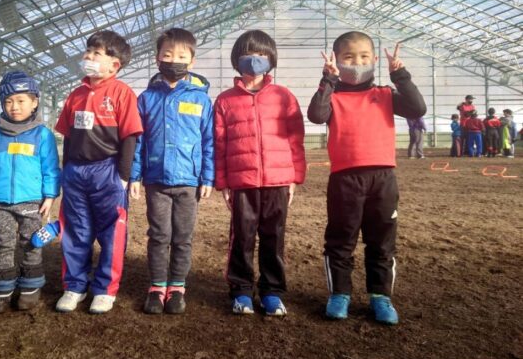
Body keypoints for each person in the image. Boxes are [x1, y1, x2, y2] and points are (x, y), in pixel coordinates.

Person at [307, 32, 426, 325]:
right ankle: (340, 294)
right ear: (337, 60)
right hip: (345, 180)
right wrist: (328, 79)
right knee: (341, 239)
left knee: (382, 241)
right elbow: (317, 115)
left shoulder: (385, 94)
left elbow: (417, 108)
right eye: (348, 58)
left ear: (374, 60)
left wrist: (400, 75)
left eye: (363, 57)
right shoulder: (333, 96)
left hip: (383, 179)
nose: (357, 63)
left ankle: (380, 296)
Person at [214, 30, 306, 317]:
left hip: (278, 180)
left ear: (271, 59)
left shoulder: (284, 97)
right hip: (242, 182)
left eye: (262, 54)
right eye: (248, 54)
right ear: (236, 59)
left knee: (274, 236)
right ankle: (241, 290)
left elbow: (296, 139)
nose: (255, 60)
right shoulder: (225, 100)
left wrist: (294, 177)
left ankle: (272, 292)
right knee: (242, 237)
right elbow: (219, 143)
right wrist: (223, 182)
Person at [54, 30, 143, 314]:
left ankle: (105, 289)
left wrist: (123, 176)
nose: (88, 56)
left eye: (97, 52)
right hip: (76, 172)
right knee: (75, 230)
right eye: (88, 50)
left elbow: (130, 137)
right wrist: (67, 170)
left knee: (111, 232)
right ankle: (74, 286)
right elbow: (68, 136)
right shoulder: (76, 95)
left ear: (114, 64)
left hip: (108, 171)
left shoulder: (122, 93)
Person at [129, 28, 214, 315]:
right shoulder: (146, 98)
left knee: (182, 237)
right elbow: (138, 140)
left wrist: (207, 177)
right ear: (157, 59)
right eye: (167, 55)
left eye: (181, 56)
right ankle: (157, 287)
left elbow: (208, 140)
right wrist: (135, 176)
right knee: (159, 235)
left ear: (192, 61)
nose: (173, 61)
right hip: (156, 180)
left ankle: (177, 287)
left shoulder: (201, 100)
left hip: (189, 181)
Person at [0, 71, 61, 314]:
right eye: (8, 101)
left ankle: (30, 288)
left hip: (31, 201)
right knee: (3, 244)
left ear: (34, 102)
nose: (14, 106)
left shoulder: (42, 135)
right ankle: (2, 291)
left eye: (21, 101)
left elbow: (51, 168)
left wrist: (50, 195)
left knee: (31, 243)